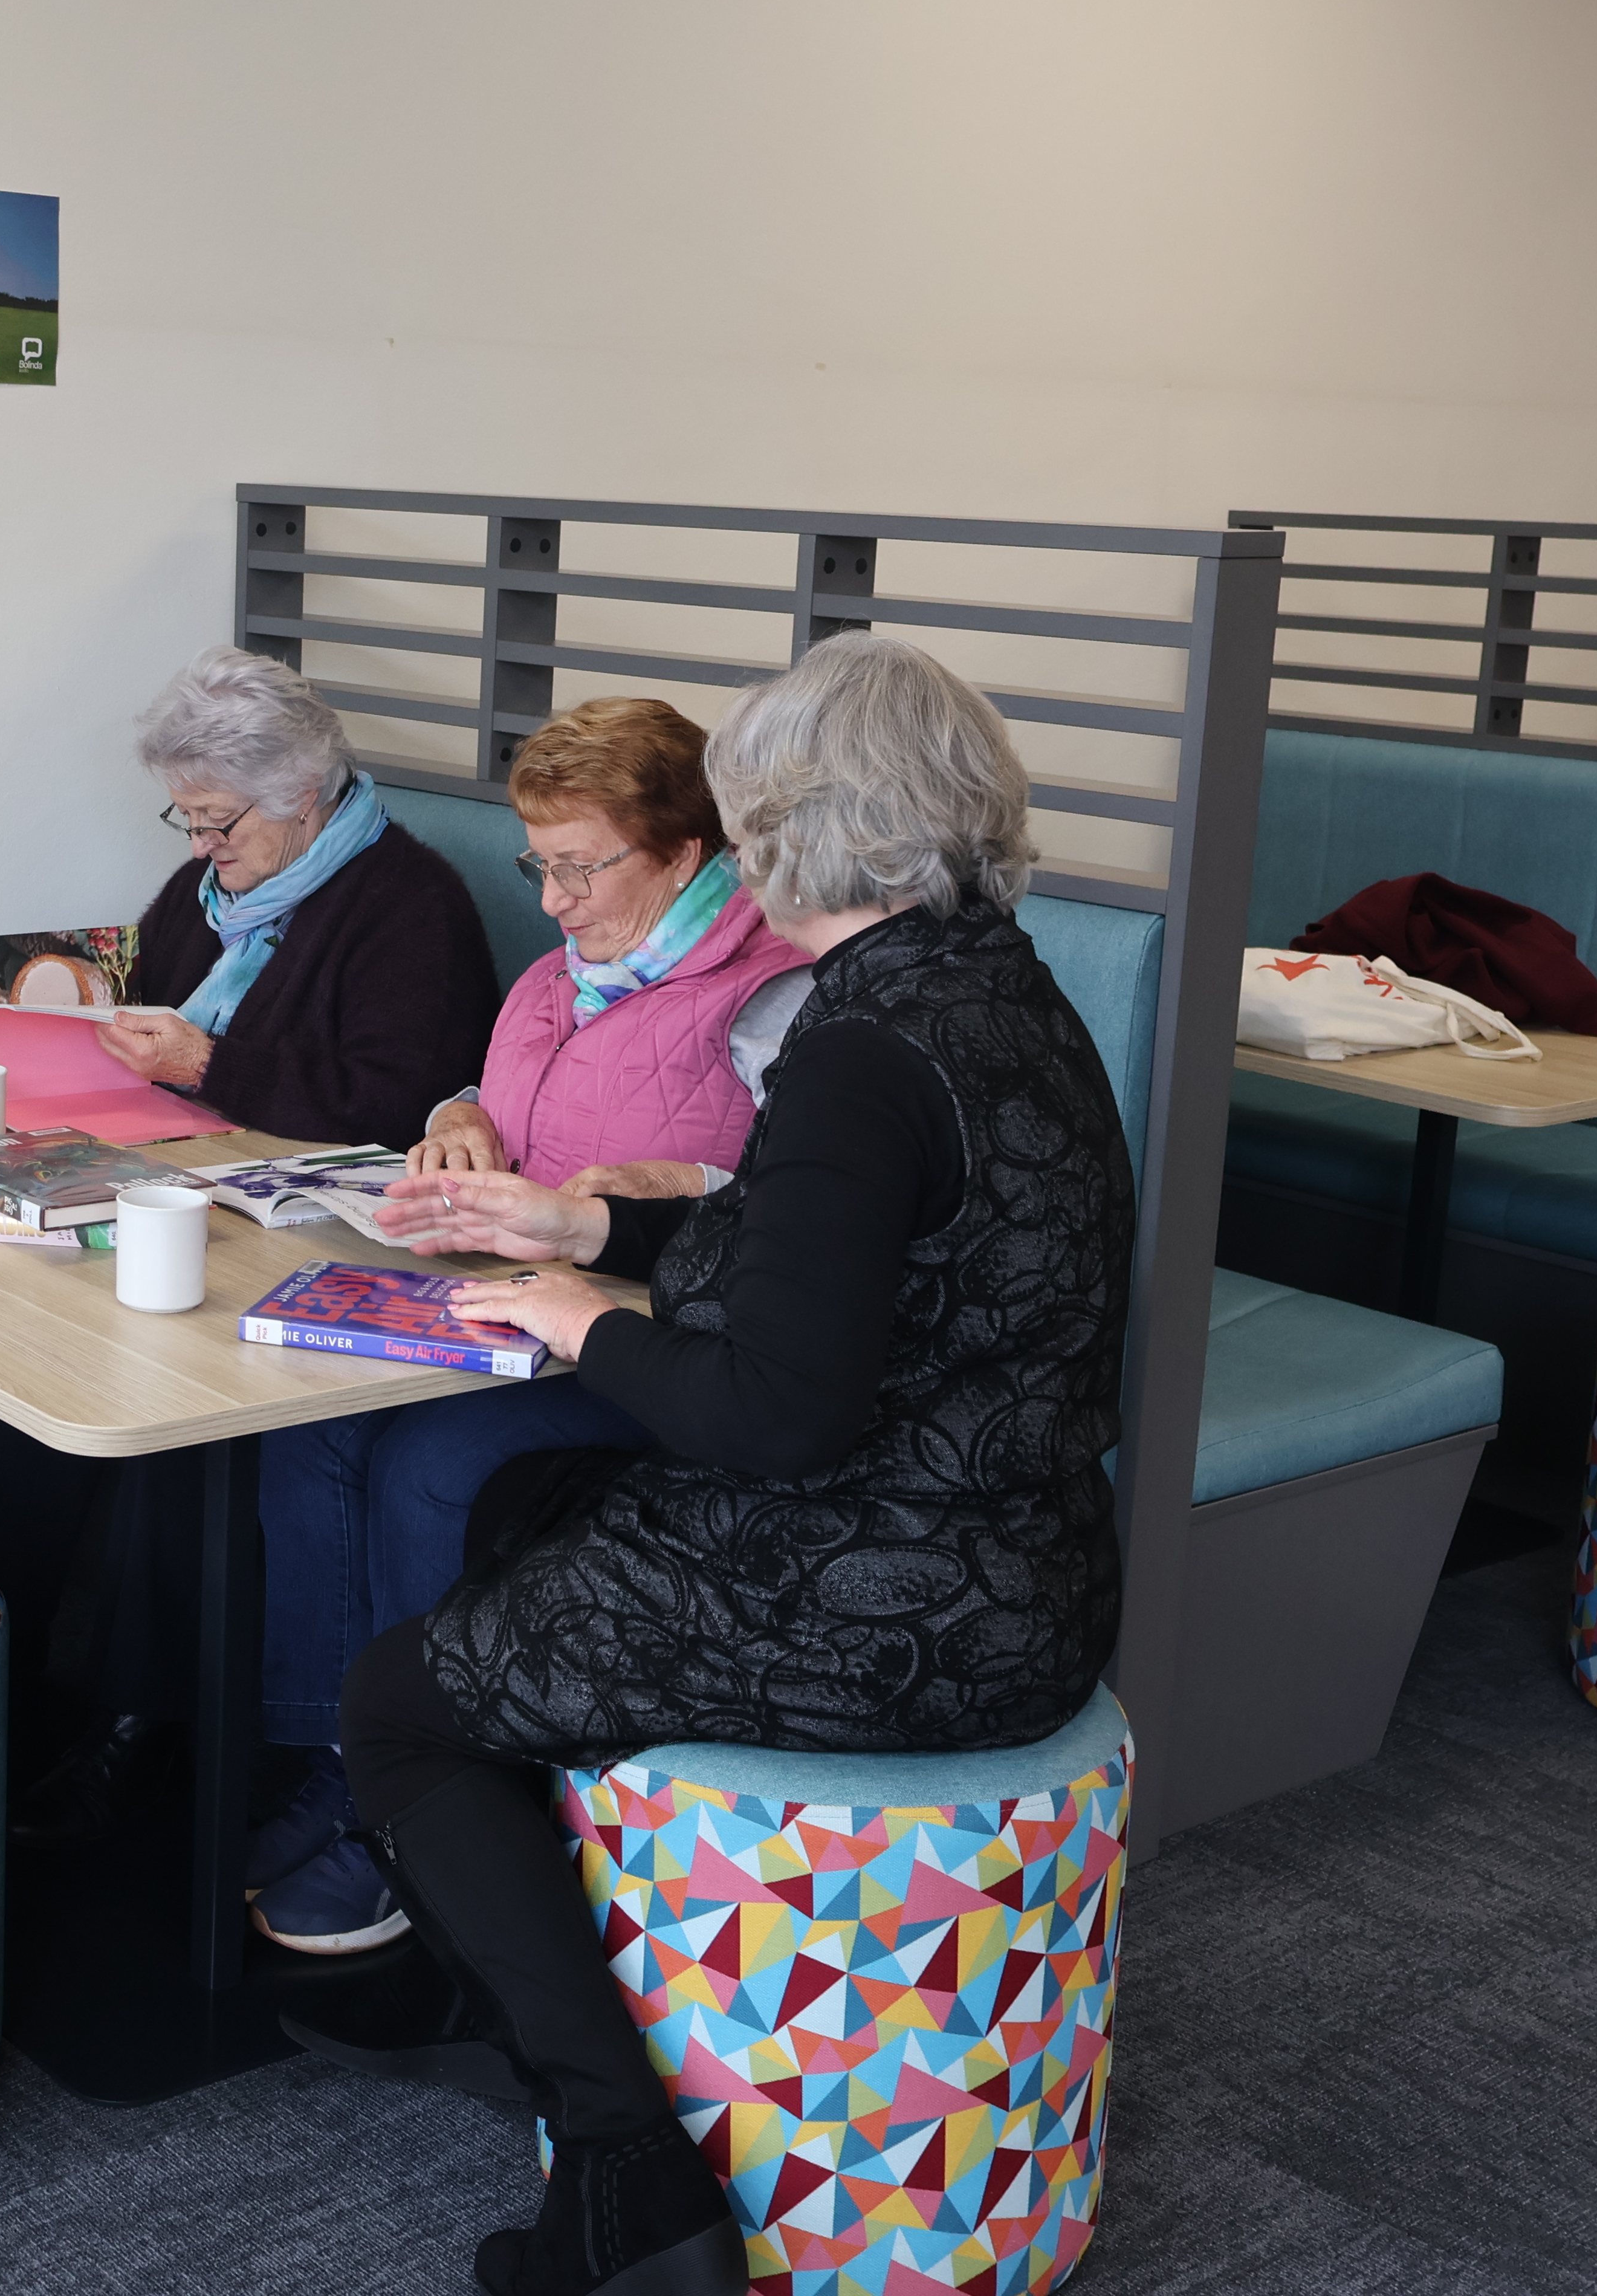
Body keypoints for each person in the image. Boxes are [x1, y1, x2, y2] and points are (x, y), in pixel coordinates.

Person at [280, 635, 1136, 2296]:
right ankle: (552, 1946)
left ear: (784, 831)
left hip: (897, 1598)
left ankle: (624, 2173)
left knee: (400, 1699)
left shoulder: (858, 1048)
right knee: (522, 1509)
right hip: (1034, 1554)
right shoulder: (997, 994)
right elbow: (811, 1251)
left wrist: (577, 1322)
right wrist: (595, 1230)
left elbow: (773, 1416)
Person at [240, 696, 816, 1954]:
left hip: (652, 1341)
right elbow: (510, 1091)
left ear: (684, 853)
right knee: (308, 1433)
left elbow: (805, 1209)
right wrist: (463, 1117)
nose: (551, 900)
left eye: (578, 866)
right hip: (512, 1305)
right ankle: (341, 1756)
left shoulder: (773, 995)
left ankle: (429, 1804)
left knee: (430, 1462)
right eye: (536, 865)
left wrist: (668, 1197)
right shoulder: (572, 974)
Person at [0, 648, 497, 1837]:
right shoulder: (223, 892)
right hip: (183, 1195)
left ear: (303, 792)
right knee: (14, 1386)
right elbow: (148, 993)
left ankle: (114, 1729)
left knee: (124, 1416)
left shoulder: (410, 908)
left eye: (216, 821)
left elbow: (391, 1104)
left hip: (306, 1234)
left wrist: (208, 1065)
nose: (197, 849)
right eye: (185, 820)